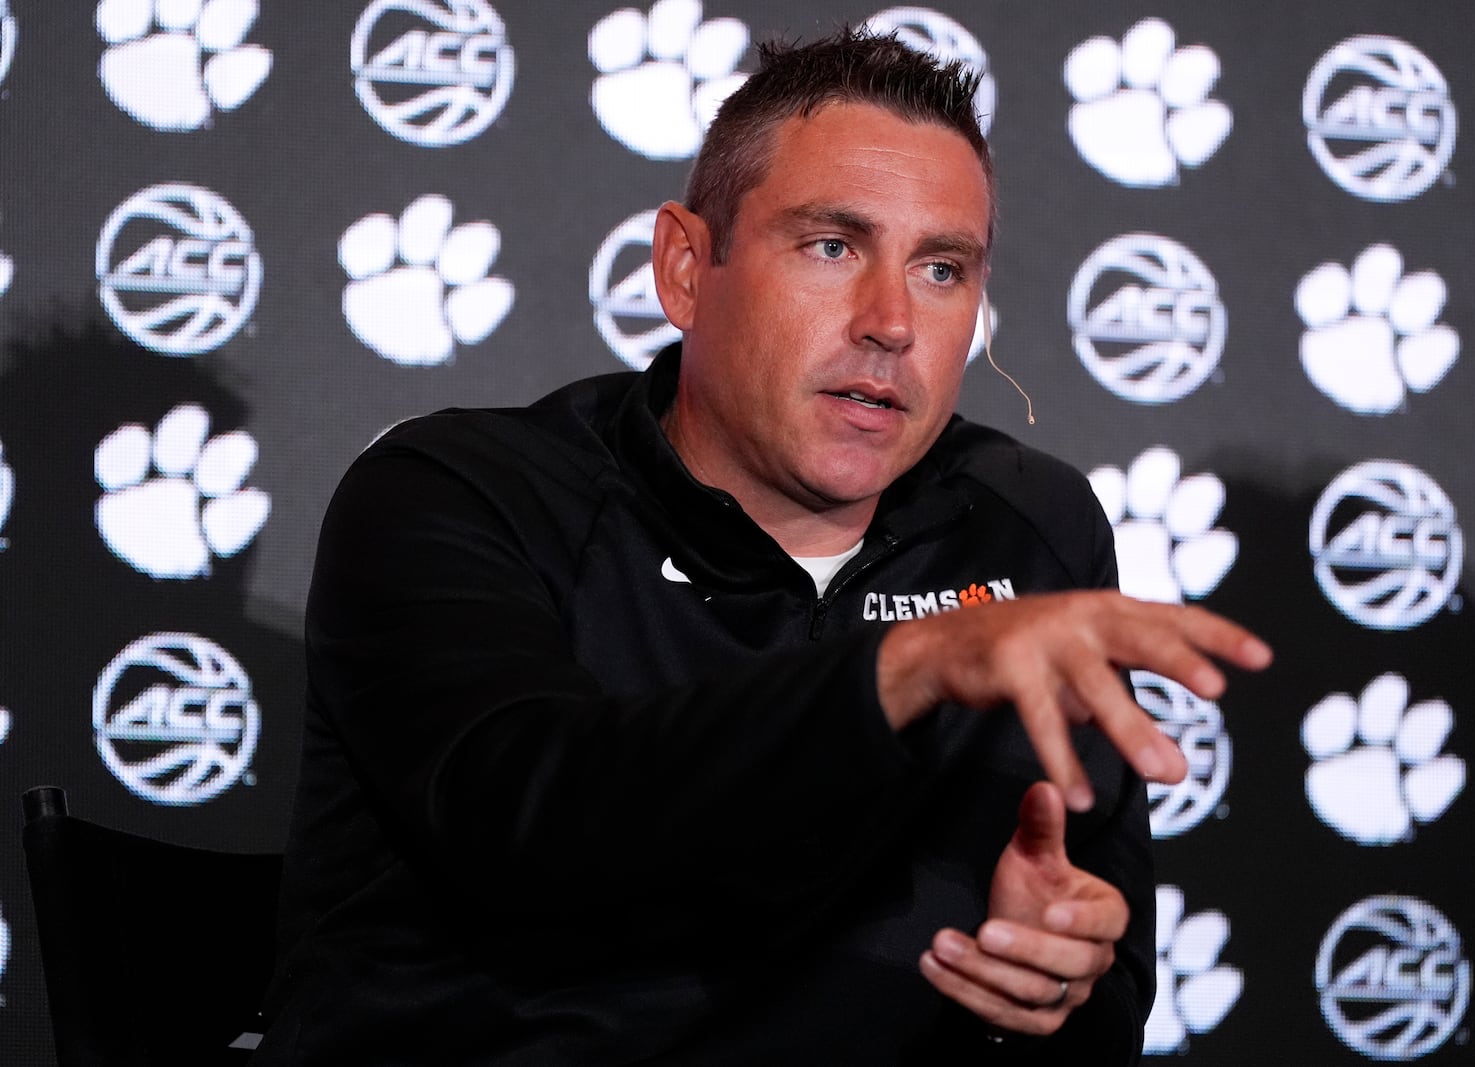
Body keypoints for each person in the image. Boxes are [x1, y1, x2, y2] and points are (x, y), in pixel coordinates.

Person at [254, 28, 1270, 1066]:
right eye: (832, 246)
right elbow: (527, 818)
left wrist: (1053, 973)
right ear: (686, 269)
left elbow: (1104, 991)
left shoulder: (1030, 526)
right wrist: (907, 667)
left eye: (940, 267)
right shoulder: (462, 493)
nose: (889, 322)